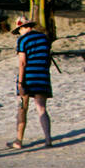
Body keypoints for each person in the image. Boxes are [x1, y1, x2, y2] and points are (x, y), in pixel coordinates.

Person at [7, 16, 53, 149]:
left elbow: (22, 62)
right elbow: (48, 58)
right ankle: (48, 139)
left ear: (22, 28)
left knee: (22, 107)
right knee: (42, 108)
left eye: (19, 30)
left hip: (28, 78)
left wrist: (21, 83)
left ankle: (18, 141)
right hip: (42, 77)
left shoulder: (22, 40)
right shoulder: (44, 38)